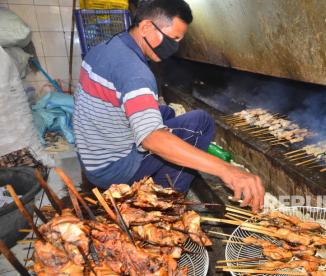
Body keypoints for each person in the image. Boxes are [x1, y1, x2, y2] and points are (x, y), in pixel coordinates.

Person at [73, 0, 264, 211]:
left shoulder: (107, 46)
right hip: (113, 169)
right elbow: (152, 139)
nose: (174, 47)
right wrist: (227, 170)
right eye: (173, 38)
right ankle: (164, 205)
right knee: (201, 122)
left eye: (179, 41)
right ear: (146, 26)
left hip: (92, 158)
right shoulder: (135, 72)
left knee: (166, 112)